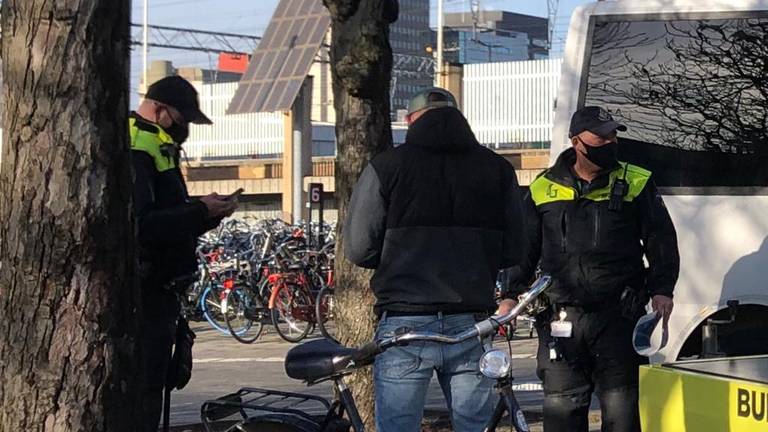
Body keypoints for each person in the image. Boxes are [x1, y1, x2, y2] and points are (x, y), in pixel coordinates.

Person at [344, 87, 527, 432]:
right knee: (474, 426)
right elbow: (515, 251)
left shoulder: (387, 166)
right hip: (471, 320)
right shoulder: (497, 169)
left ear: (411, 121)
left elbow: (358, 248)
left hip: (404, 322)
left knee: (398, 427)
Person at [506, 106, 679, 432]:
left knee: (623, 412)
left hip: (618, 318)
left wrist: (662, 289)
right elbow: (524, 249)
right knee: (562, 410)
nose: (610, 142)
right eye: (601, 137)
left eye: (613, 135)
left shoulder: (636, 181)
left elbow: (661, 241)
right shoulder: (543, 187)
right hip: (560, 320)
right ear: (576, 142)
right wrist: (510, 295)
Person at [130, 75, 237, 431]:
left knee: (158, 384)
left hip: (163, 291)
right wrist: (199, 211)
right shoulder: (138, 144)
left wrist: (206, 213)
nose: (185, 128)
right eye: (182, 118)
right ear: (159, 109)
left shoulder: (159, 142)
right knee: (145, 392)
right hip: (146, 291)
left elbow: (170, 218)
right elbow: (144, 225)